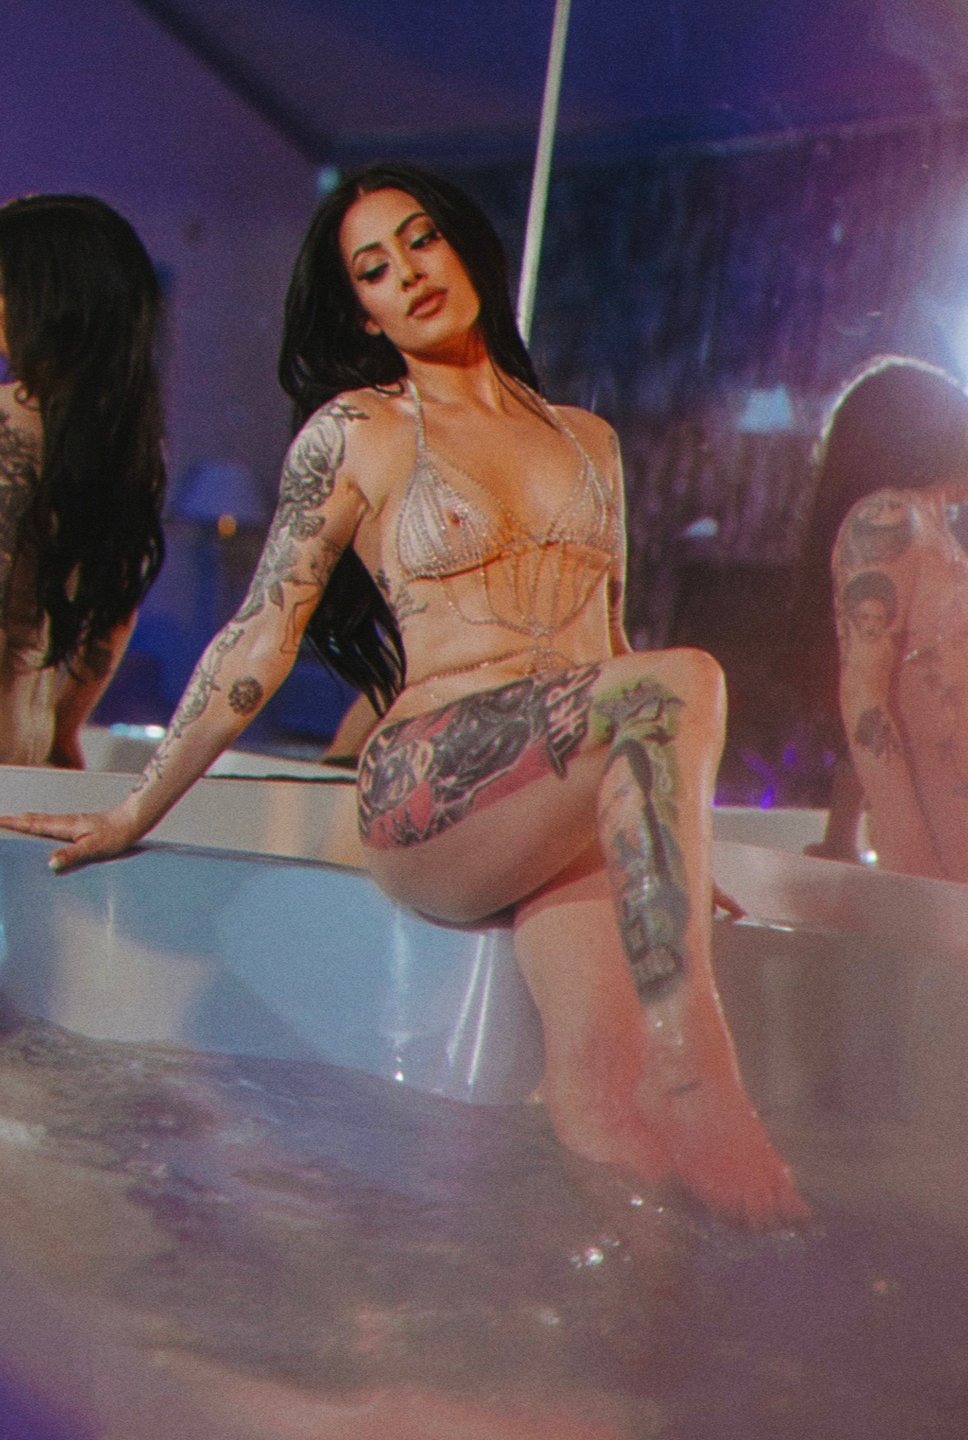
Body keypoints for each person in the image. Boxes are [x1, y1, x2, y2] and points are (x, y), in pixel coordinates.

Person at [0, 163, 806, 1227]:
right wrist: (136, 806)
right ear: (363, 314)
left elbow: (605, 650)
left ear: (464, 246)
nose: (409, 273)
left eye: (420, 240)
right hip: (429, 780)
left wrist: (667, 849)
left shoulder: (590, 442)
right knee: (685, 677)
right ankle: (697, 1067)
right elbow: (261, 634)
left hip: (546, 796)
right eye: (373, 269)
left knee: (601, 1085)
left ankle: (638, 1321)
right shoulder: (357, 430)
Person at [0, 194, 166, 767]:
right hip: (33, 740)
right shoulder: (125, 440)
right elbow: (115, 613)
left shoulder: (10, 420)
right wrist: (66, 727)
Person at [792, 354, 968, 874]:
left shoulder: (936, 533)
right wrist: (910, 858)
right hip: (942, 863)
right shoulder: (891, 517)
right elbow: (866, 696)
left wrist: (842, 837)